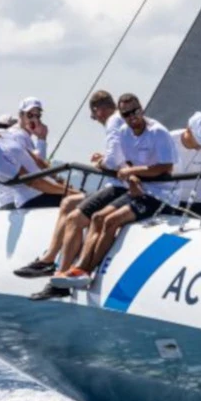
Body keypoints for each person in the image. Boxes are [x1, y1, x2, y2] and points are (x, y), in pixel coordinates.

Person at [49, 93, 176, 290]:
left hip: (159, 195)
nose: (132, 117)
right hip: (137, 190)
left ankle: (86, 270)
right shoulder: (124, 132)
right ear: (121, 115)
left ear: (141, 109)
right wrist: (132, 177)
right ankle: (79, 269)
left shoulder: (157, 132)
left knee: (111, 221)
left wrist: (132, 172)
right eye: (126, 114)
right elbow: (127, 162)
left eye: (135, 111)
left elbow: (165, 167)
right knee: (98, 217)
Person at [14, 90, 127, 285]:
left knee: (74, 214)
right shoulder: (17, 136)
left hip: (121, 187)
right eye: (30, 115)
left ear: (98, 110)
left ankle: (61, 270)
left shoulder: (113, 121)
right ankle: (51, 261)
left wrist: (100, 162)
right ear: (21, 115)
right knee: (69, 202)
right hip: (34, 194)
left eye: (37, 115)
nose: (35, 119)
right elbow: (39, 170)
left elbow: (112, 160)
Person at [0, 106, 70, 210]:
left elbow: (35, 159)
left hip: (45, 192)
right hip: (30, 200)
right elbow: (33, 182)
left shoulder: (2, 133)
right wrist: (68, 191)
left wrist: (59, 180)